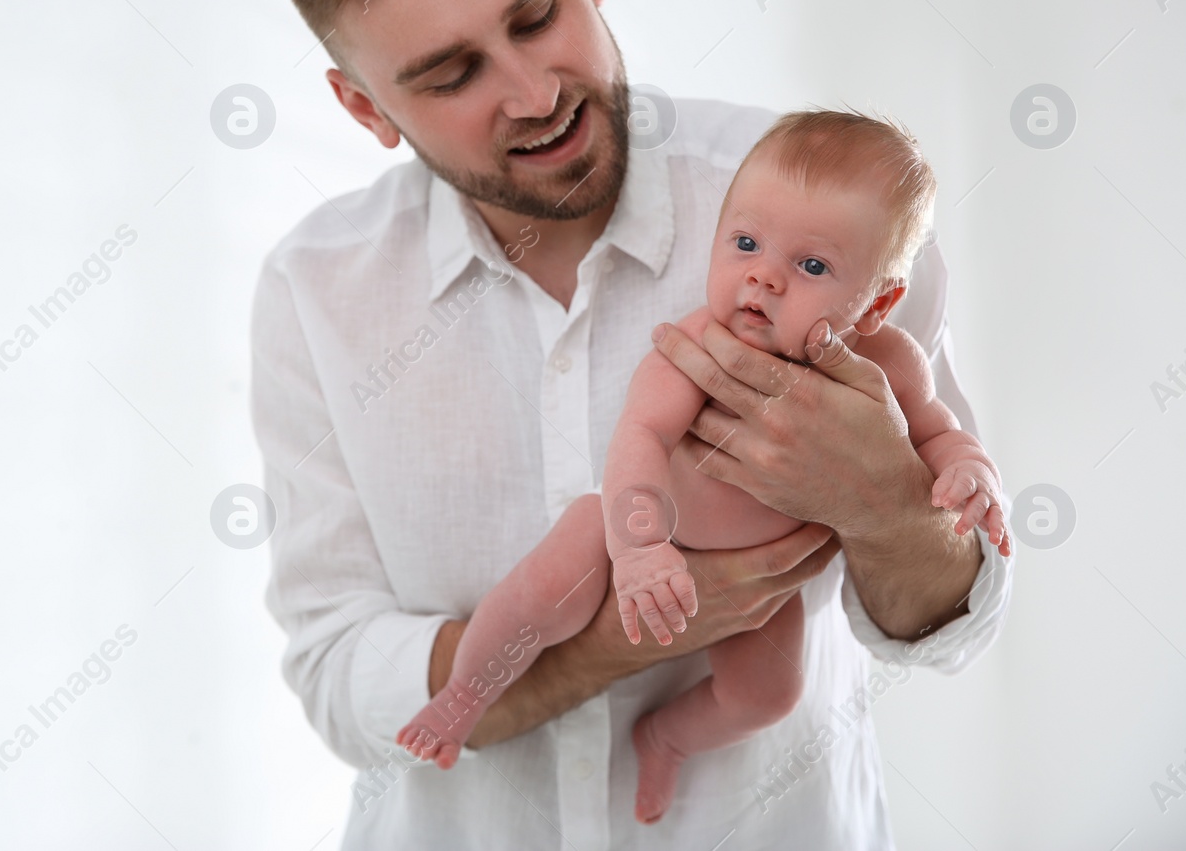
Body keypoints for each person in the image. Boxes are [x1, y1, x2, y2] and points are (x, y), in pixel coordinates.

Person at [253, 0, 1012, 849]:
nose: (533, 94)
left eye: (535, 14)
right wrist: (601, 641)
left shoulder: (833, 213)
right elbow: (340, 675)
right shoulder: (315, 289)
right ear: (364, 108)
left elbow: (958, 622)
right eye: (450, 74)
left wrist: (884, 506)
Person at [394, 110, 1012, 826]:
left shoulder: (892, 367)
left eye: (812, 266)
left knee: (767, 697)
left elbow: (939, 435)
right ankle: (463, 694)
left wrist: (972, 471)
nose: (764, 277)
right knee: (539, 598)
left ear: (878, 300)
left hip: (766, 581)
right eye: (746, 243)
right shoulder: (703, 346)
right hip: (627, 530)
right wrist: (639, 547)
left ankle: (667, 737)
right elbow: (640, 440)